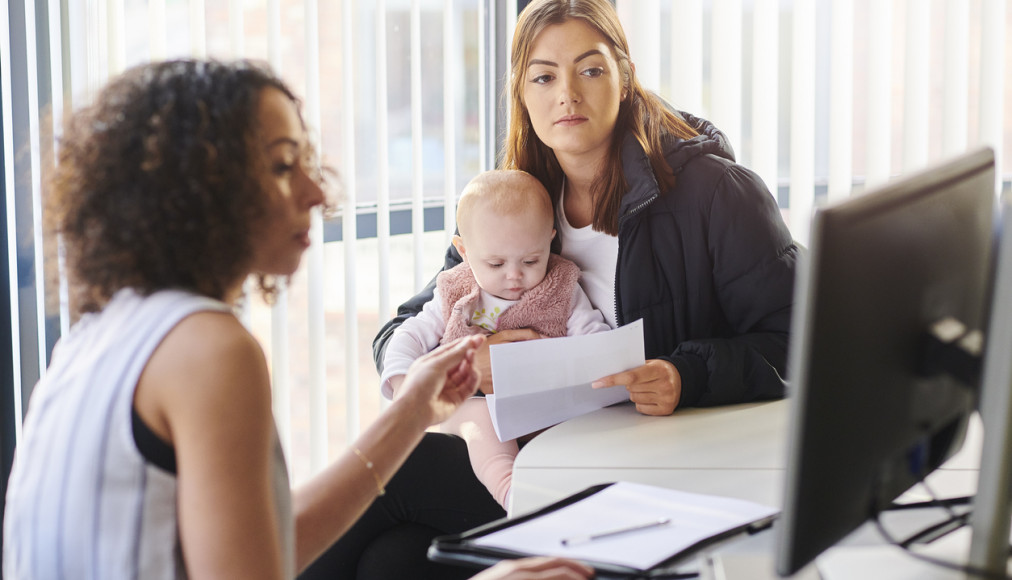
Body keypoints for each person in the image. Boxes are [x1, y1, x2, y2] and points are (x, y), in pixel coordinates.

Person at [1, 59, 593, 580]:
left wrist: (414, 409)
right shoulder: (208, 349)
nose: (317, 191)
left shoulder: (101, 334)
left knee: (397, 560)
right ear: (204, 191)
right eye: (284, 167)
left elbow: (263, 544)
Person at [324, 0, 798, 576]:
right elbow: (411, 323)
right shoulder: (517, 197)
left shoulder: (716, 194)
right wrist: (471, 361)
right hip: (535, 457)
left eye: (590, 70)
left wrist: (686, 374)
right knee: (392, 561)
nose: (566, 94)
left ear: (625, 78)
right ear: (521, 93)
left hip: (649, 471)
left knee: (401, 474)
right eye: (544, 76)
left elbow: (799, 343)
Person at [381, 169, 610, 509]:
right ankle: (510, 492)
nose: (514, 275)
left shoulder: (562, 287)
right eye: (496, 263)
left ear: (550, 240)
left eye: (531, 260)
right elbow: (407, 335)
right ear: (464, 250)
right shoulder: (456, 290)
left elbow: (594, 340)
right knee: (481, 421)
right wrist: (404, 386)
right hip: (473, 407)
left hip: (545, 409)